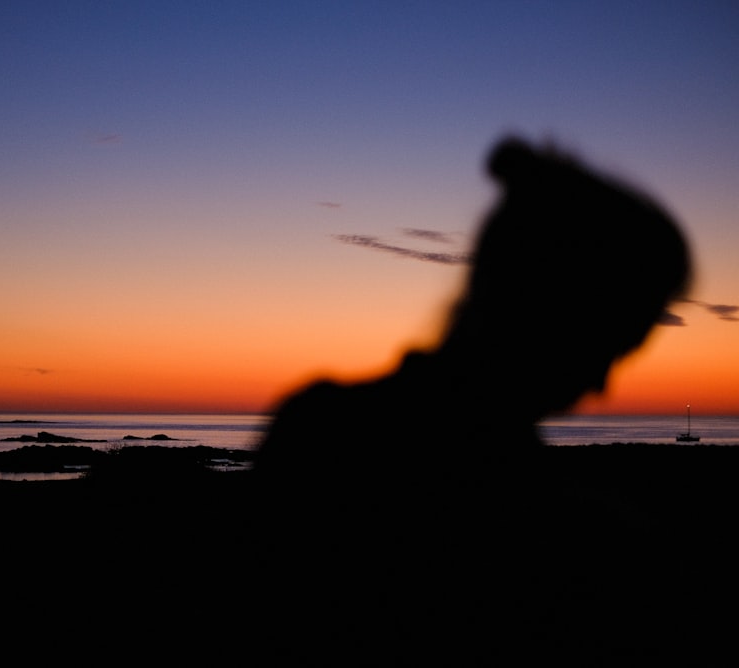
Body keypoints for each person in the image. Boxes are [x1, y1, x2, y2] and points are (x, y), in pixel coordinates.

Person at [248, 136, 693, 665]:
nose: (601, 385)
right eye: (606, 345)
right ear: (535, 303)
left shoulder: (317, 427)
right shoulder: (575, 546)